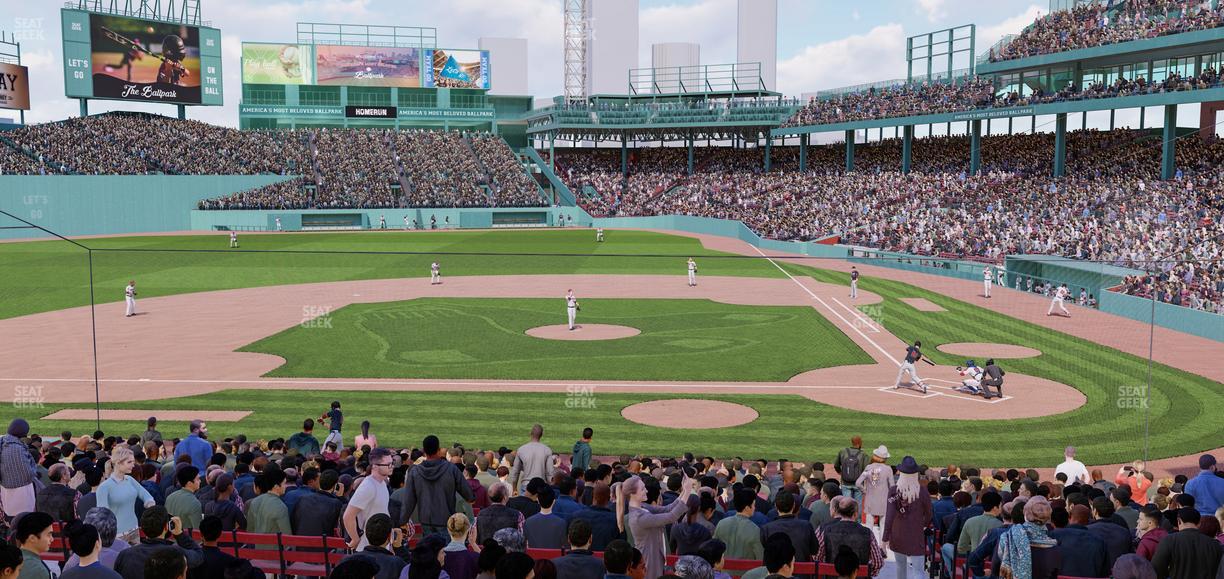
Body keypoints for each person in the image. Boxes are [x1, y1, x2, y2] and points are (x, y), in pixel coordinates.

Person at [618, 475, 694, 579]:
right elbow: (671, 516)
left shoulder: (642, 507)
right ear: (632, 494)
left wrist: (684, 491)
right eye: (642, 489)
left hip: (653, 557)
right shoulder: (639, 517)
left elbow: (668, 509)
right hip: (648, 560)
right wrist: (688, 491)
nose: (646, 491)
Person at [401, 435, 473, 535]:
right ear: (438, 450)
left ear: (424, 451)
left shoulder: (415, 472)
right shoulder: (451, 469)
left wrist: (403, 521)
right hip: (445, 520)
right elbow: (469, 496)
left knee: (430, 549)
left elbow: (408, 500)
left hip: (428, 521)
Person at [112, 506, 203, 579]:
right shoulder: (175, 553)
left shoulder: (125, 554)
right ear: (166, 527)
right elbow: (198, 555)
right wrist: (179, 535)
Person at [882, 456, 932, 579]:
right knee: (918, 571)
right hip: (916, 534)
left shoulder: (894, 491)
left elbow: (889, 516)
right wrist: (923, 524)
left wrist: (885, 538)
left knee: (900, 567)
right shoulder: (923, 491)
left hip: (898, 534)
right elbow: (929, 513)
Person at [98, 447, 156, 544]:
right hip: (117, 535)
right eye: (129, 462)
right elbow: (103, 516)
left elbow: (146, 495)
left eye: (133, 462)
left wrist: (150, 503)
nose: (133, 465)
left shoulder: (130, 480)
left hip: (134, 530)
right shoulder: (104, 487)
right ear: (118, 463)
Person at [992, 497, 1060, 579]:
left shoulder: (1007, 537)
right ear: (1047, 518)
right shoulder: (1054, 547)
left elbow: (995, 569)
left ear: (1026, 515)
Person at [1151, 507, 1223, 579]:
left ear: (1179, 521)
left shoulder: (1169, 541)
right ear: (1199, 523)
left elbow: (1156, 568)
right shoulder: (1215, 545)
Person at [345, 447, 393, 550]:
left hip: (380, 545)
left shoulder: (382, 484)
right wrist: (355, 539)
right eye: (388, 464)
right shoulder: (368, 486)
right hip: (367, 547)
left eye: (391, 463)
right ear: (375, 466)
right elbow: (348, 516)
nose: (391, 467)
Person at [1049, 504, 1109, 577]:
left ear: (1070, 517)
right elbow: (1105, 574)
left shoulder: (1054, 535)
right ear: (1088, 520)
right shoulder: (1099, 541)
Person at [339, 514, 405, 579]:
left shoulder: (346, 561)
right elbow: (408, 572)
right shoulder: (396, 564)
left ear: (366, 533)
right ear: (390, 536)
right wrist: (399, 548)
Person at [713, 488, 763, 561]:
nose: (754, 508)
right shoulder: (755, 529)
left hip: (724, 569)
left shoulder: (721, 523)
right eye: (753, 505)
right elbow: (760, 558)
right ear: (747, 508)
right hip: (747, 571)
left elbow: (714, 548)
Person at [855, 446, 893, 533]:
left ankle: (869, 545)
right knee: (883, 526)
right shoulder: (888, 469)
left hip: (870, 500)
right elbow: (892, 487)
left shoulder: (868, 468)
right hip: (884, 501)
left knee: (869, 527)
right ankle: (881, 547)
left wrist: (865, 491)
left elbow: (858, 483)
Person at [509, 425, 553, 495]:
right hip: (541, 487)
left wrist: (514, 489)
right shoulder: (547, 450)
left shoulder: (521, 449)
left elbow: (515, 471)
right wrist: (551, 490)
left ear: (530, 433)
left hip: (526, 486)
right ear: (541, 435)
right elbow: (550, 473)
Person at [13, 512, 55, 579]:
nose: (52, 539)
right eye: (48, 535)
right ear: (32, 538)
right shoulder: (37, 570)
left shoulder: (15, 558)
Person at [441, 513, 480, 579]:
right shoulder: (475, 557)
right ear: (468, 529)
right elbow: (488, 567)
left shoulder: (439, 557)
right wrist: (473, 544)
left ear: (448, 530)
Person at [164, 465, 203, 531]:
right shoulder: (194, 502)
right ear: (189, 483)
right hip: (186, 538)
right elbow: (197, 530)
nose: (200, 481)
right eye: (198, 479)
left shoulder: (170, 497)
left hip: (170, 537)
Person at [834, 437, 866, 506]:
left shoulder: (843, 451)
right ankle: (857, 517)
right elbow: (866, 470)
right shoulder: (863, 454)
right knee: (857, 506)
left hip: (845, 483)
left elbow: (836, 465)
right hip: (858, 483)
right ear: (860, 443)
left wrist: (841, 473)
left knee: (846, 506)